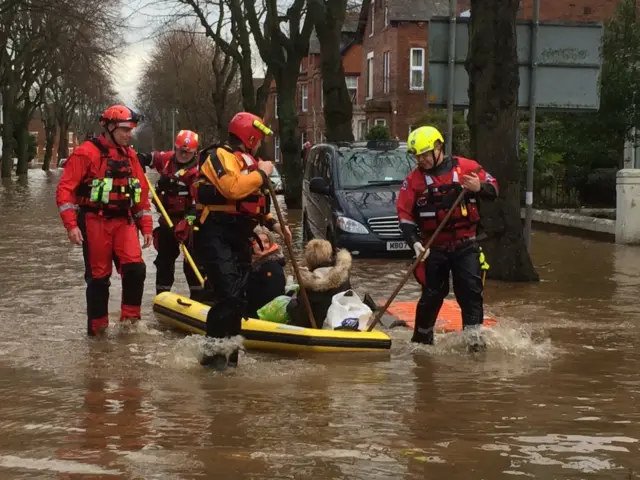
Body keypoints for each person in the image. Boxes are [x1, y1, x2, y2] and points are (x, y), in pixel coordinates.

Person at [192, 111, 291, 369]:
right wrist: (262, 173)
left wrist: (273, 223)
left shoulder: (250, 162)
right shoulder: (218, 156)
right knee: (228, 294)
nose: (259, 143)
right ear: (249, 136)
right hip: (215, 232)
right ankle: (212, 357)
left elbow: (250, 202)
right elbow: (232, 188)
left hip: (239, 234)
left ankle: (230, 357)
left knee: (239, 299)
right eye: (257, 138)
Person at [396, 125, 498, 350]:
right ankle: (421, 345)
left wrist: (479, 186)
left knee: (470, 294)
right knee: (431, 296)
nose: (420, 160)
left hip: (465, 245)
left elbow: (494, 189)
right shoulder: (413, 181)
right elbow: (404, 215)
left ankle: (474, 345)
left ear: (438, 147)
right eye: (417, 156)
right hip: (434, 248)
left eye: (424, 155)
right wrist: (415, 243)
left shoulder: (467, 168)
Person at [56, 104, 153, 336]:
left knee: (136, 269)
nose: (130, 135)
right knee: (98, 279)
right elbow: (65, 191)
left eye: (131, 130)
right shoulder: (85, 153)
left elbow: (140, 193)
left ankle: (130, 325)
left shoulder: (130, 156)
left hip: (124, 221)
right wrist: (71, 225)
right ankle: (97, 332)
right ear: (109, 128)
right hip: (94, 220)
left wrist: (146, 227)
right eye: (125, 130)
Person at [137, 130, 204, 299]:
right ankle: (162, 295)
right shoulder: (167, 159)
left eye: (187, 152)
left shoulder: (198, 172)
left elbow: (199, 204)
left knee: (193, 262)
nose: (183, 155)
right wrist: (141, 159)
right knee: (164, 261)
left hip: (190, 222)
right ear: (176, 148)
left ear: (194, 152)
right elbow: (151, 158)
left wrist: (188, 222)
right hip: (167, 220)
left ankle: (198, 297)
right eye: (180, 151)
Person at [286, 239, 352, 329]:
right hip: (340, 324)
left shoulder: (308, 284)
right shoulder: (344, 279)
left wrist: (291, 306)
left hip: (317, 327)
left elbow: (300, 316)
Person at [245, 227, 286, 319]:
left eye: (266, 242)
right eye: (258, 241)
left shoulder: (271, 268)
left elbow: (272, 298)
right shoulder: (250, 264)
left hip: (261, 316)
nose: (262, 245)